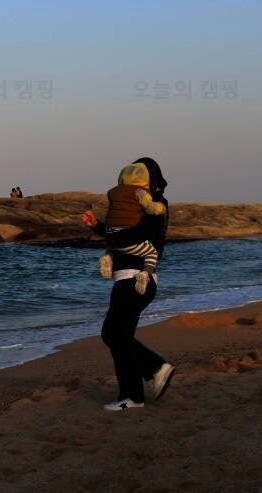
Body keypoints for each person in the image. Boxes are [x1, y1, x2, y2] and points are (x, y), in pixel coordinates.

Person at [81, 157, 175, 412]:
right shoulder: (137, 204)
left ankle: (156, 367)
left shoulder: (156, 206)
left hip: (136, 279)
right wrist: (97, 226)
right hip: (128, 277)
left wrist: (108, 233)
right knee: (121, 338)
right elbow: (123, 234)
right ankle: (132, 396)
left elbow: (138, 236)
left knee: (112, 334)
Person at [99, 163, 166, 295]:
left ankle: (108, 256)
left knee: (116, 248)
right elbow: (150, 208)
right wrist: (160, 207)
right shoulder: (139, 192)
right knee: (152, 253)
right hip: (128, 236)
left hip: (111, 234)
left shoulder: (112, 192)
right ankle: (145, 275)